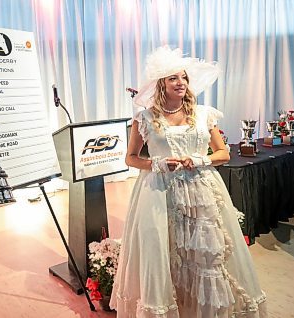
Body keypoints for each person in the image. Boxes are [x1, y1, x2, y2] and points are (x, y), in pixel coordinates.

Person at [110, 46, 267, 317]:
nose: (180, 82)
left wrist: (200, 160)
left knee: (203, 254)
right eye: (173, 78)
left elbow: (223, 153)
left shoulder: (204, 113)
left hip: (202, 192)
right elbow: (130, 158)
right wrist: (156, 163)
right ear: (162, 84)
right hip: (160, 192)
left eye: (183, 77)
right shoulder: (145, 117)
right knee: (165, 252)